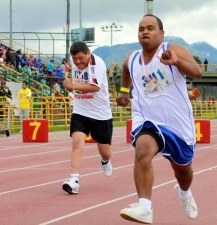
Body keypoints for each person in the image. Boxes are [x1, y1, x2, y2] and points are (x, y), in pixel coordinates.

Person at [116, 15, 203, 224]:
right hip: (147, 118)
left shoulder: (172, 49)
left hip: (177, 123)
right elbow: (126, 70)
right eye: (141, 29)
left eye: (150, 28)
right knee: (142, 150)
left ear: (161, 33)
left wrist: (177, 61)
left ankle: (184, 192)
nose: (145, 32)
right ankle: (145, 207)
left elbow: (198, 72)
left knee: (183, 171)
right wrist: (124, 91)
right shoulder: (132, 57)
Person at [62, 41, 113, 195]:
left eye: (81, 58)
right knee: (77, 142)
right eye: (75, 58)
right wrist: (67, 81)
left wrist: (72, 86)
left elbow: (95, 87)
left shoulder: (98, 64)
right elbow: (70, 77)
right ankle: (74, 180)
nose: (78, 62)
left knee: (105, 152)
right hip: (81, 110)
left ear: (88, 53)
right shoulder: (73, 62)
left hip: (100, 114)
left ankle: (105, 161)